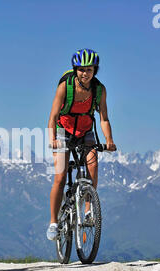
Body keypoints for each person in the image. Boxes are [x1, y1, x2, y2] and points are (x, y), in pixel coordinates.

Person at [46, 48, 116, 240]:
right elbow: (52, 117)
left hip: (86, 130)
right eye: (82, 70)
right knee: (60, 177)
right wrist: (52, 138)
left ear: (95, 71)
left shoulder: (99, 90)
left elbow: (104, 118)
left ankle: (87, 210)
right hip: (63, 130)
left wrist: (109, 140)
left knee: (92, 168)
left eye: (90, 70)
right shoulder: (65, 87)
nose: (85, 74)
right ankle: (53, 222)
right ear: (75, 70)